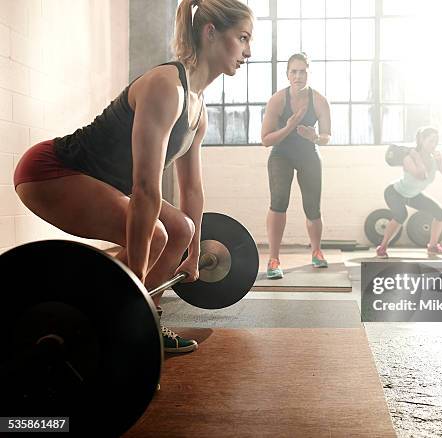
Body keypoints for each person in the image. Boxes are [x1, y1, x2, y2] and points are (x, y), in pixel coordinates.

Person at [13, 0, 253, 353]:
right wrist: (134, 286)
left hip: (101, 182)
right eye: (243, 38)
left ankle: (142, 319)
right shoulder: (166, 86)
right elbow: (144, 189)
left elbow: (192, 190)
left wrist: (192, 251)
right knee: (154, 234)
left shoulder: (197, 110)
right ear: (211, 32)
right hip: (51, 171)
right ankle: (101, 313)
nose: (248, 51)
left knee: (181, 230)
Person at [261, 52, 331, 279]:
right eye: (294, 71)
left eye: (303, 71)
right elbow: (266, 140)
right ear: (287, 74)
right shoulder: (277, 100)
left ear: (308, 74)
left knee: (313, 207)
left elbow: (327, 136)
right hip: (282, 154)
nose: (298, 76)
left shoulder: (319, 100)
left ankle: (317, 251)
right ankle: (273, 259)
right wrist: (289, 126)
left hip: (308, 154)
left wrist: (315, 137)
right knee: (278, 202)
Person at [376, 127, 442, 258]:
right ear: (421, 140)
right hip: (395, 193)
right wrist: (416, 156)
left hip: (413, 195)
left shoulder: (434, 160)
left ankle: (433, 246)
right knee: (401, 215)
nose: (434, 145)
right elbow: (421, 175)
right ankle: (382, 247)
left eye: (436, 141)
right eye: (431, 141)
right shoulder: (409, 158)